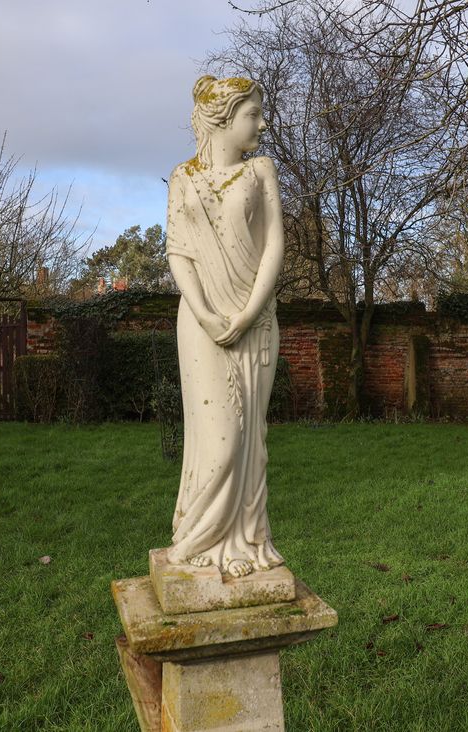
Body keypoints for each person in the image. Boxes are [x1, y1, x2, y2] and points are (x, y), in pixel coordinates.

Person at [164, 75, 285, 578]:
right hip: (200, 321)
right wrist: (208, 312)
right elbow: (179, 251)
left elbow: (275, 244)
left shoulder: (261, 171)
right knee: (220, 437)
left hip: (255, 321)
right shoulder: (182, 177)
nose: (262, 122)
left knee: (249, 434)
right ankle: (195, 540)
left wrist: (249, 311)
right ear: (222, 119)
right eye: (252, 114)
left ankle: (240, 541)